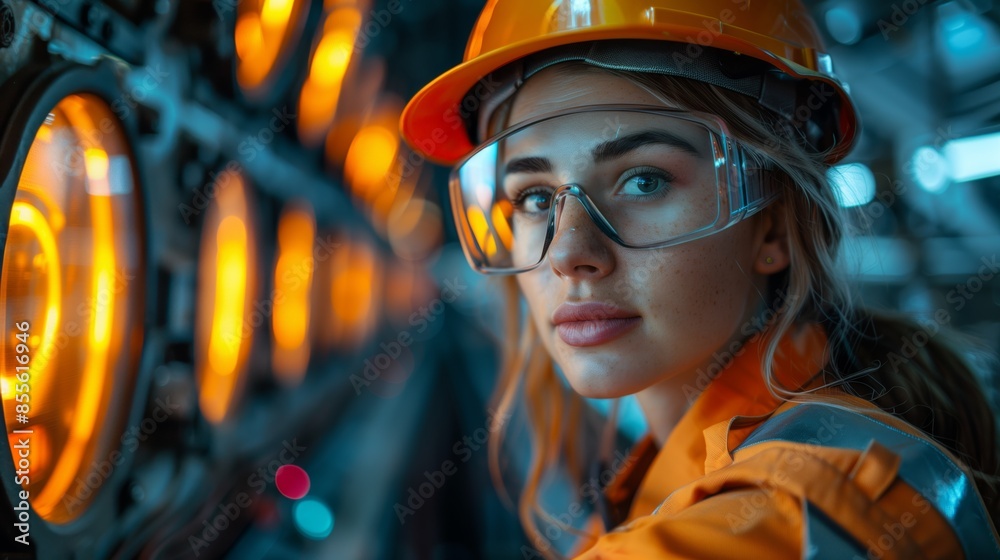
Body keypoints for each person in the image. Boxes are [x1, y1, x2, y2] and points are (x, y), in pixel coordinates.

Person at [399, 0, 1000, 557]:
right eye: (532, 197)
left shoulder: (771, 521)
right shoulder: (708, 472)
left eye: (644, 181)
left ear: (773, 224)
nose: (569, 253)